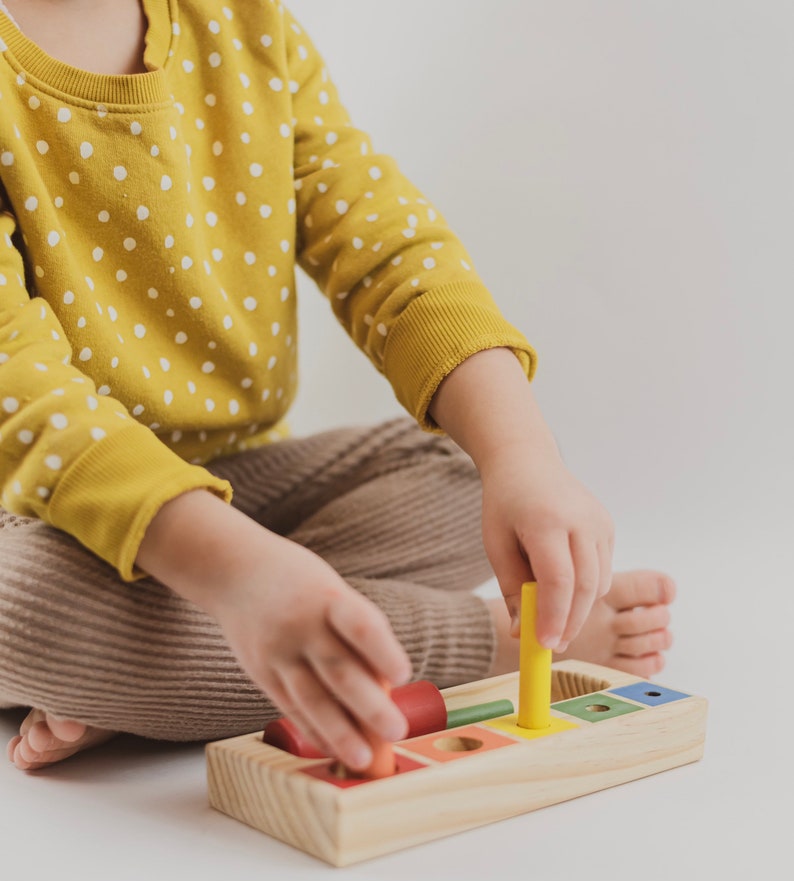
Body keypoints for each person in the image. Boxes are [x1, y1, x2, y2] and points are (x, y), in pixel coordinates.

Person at [0, 0, 674, 772]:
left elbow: (386, 247)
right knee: (21, 609)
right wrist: (240, 575)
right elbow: (21, 389)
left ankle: (163, 671)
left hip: (233, 483)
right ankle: (474, 638)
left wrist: (519, 452)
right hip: (30, 520)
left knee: (472, 466)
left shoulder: (244, 22)